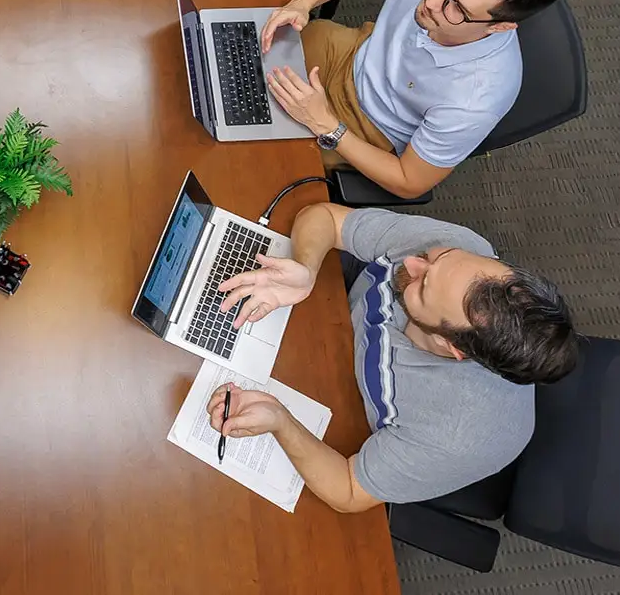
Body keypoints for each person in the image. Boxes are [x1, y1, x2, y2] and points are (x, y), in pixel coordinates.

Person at [210, 202, 578, 510]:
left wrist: (279, 420)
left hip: (341, 409)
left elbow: (349, 491)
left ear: (451, 348)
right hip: (327, 321)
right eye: (441, 257)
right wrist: (306, 269)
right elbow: (325, 217)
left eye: (422, 286)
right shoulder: (462, 248)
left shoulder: (458, 435)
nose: (415, 264)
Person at [260, 0, 569, 199]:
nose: (432, 2)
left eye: (456, 8)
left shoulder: (476, 99)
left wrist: (326, 125)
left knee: (261, 161)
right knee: (238, 54)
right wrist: (304, 2)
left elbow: (410, 182)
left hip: (367, 126)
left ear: (499, 26)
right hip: (352, 53)